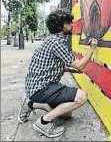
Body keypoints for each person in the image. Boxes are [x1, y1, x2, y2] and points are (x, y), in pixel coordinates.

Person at [17, 9, 98, 138]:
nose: (72, 25)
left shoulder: (51, 40)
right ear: (61, 25)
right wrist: (92, 49)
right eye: (69, 22)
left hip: (35, 87)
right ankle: (43, 122)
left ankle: (31, 103)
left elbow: (48, 66)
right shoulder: (57, 43)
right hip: (41, 88)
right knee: (82, 96)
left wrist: (68, 69)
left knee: (66, 114)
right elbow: (80, 65)